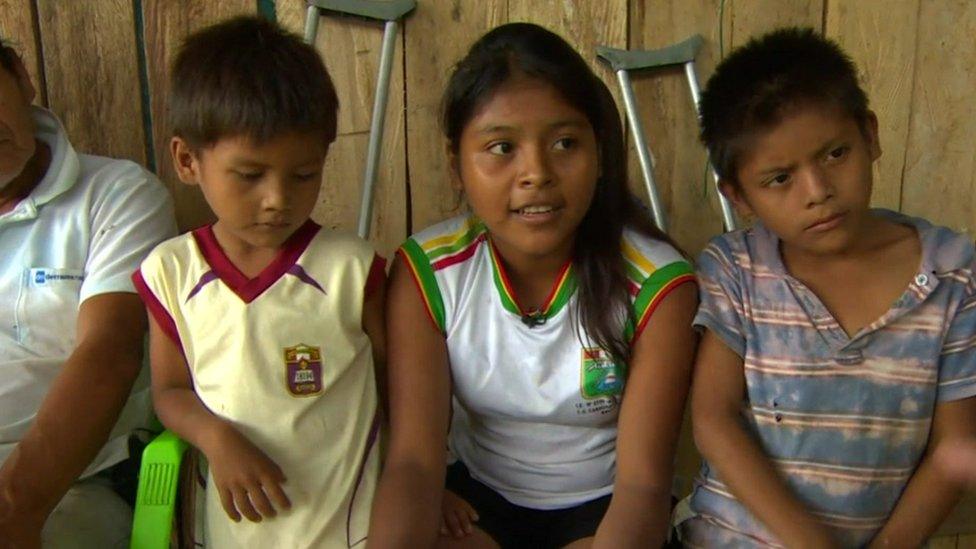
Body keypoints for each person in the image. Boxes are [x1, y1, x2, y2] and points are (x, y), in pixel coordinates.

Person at [368, 23, 698, 549]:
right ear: (456, 165)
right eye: (501, 147)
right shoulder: (428, 272)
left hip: (606, 510)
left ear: (599, 152)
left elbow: (643, 486)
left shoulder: (658, 286)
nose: (536, 173)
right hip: (474, 502)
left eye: (565, 142)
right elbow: (412, 462)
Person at [679, 27, 976, 547]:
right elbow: (714, 419)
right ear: (739, 195)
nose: (817, 192)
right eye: (779, 179)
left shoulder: (954, 278)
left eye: (835, 154)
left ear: (871, 135)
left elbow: (956, 453)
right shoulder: (737, 269)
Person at [132, 17, 386, 547]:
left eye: (303, 175)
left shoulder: (353, 271)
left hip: (346, 529)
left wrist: (423, 480)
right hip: (232, 532)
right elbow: (171, 391)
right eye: (249, 175)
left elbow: (405, 390)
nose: (277, 199)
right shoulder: (172, 272)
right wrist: (216, 439)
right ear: (187, 160)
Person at [0, 38, 176, 548]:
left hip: (67, 486)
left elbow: (110, 352)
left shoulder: (118, 196)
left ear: (19, 75)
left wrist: (16, 509)